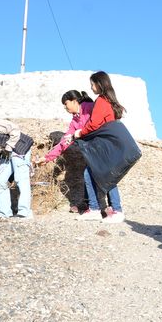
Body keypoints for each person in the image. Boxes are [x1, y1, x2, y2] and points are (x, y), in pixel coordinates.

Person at [34, 90, 101, 219]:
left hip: (102, 147)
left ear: (74, 101)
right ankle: (90, 205)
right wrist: (47, 158)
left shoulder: (90, 108)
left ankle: (106, 207)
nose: (65, 107)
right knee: (88, 175)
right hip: (91, 151)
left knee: (94, 176)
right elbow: (64, 142)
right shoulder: (75, 120)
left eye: (66, 104)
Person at [73, 71, 126, 224]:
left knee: (106, 176)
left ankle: (115, 210)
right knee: (91, 173)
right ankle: (95, 209)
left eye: (92, 84)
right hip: (109, 144)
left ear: (99, 84)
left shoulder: (102, 101)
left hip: (103, 145)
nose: (91, 87)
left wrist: (79, 132)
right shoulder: (109, 100)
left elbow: (94, 124)